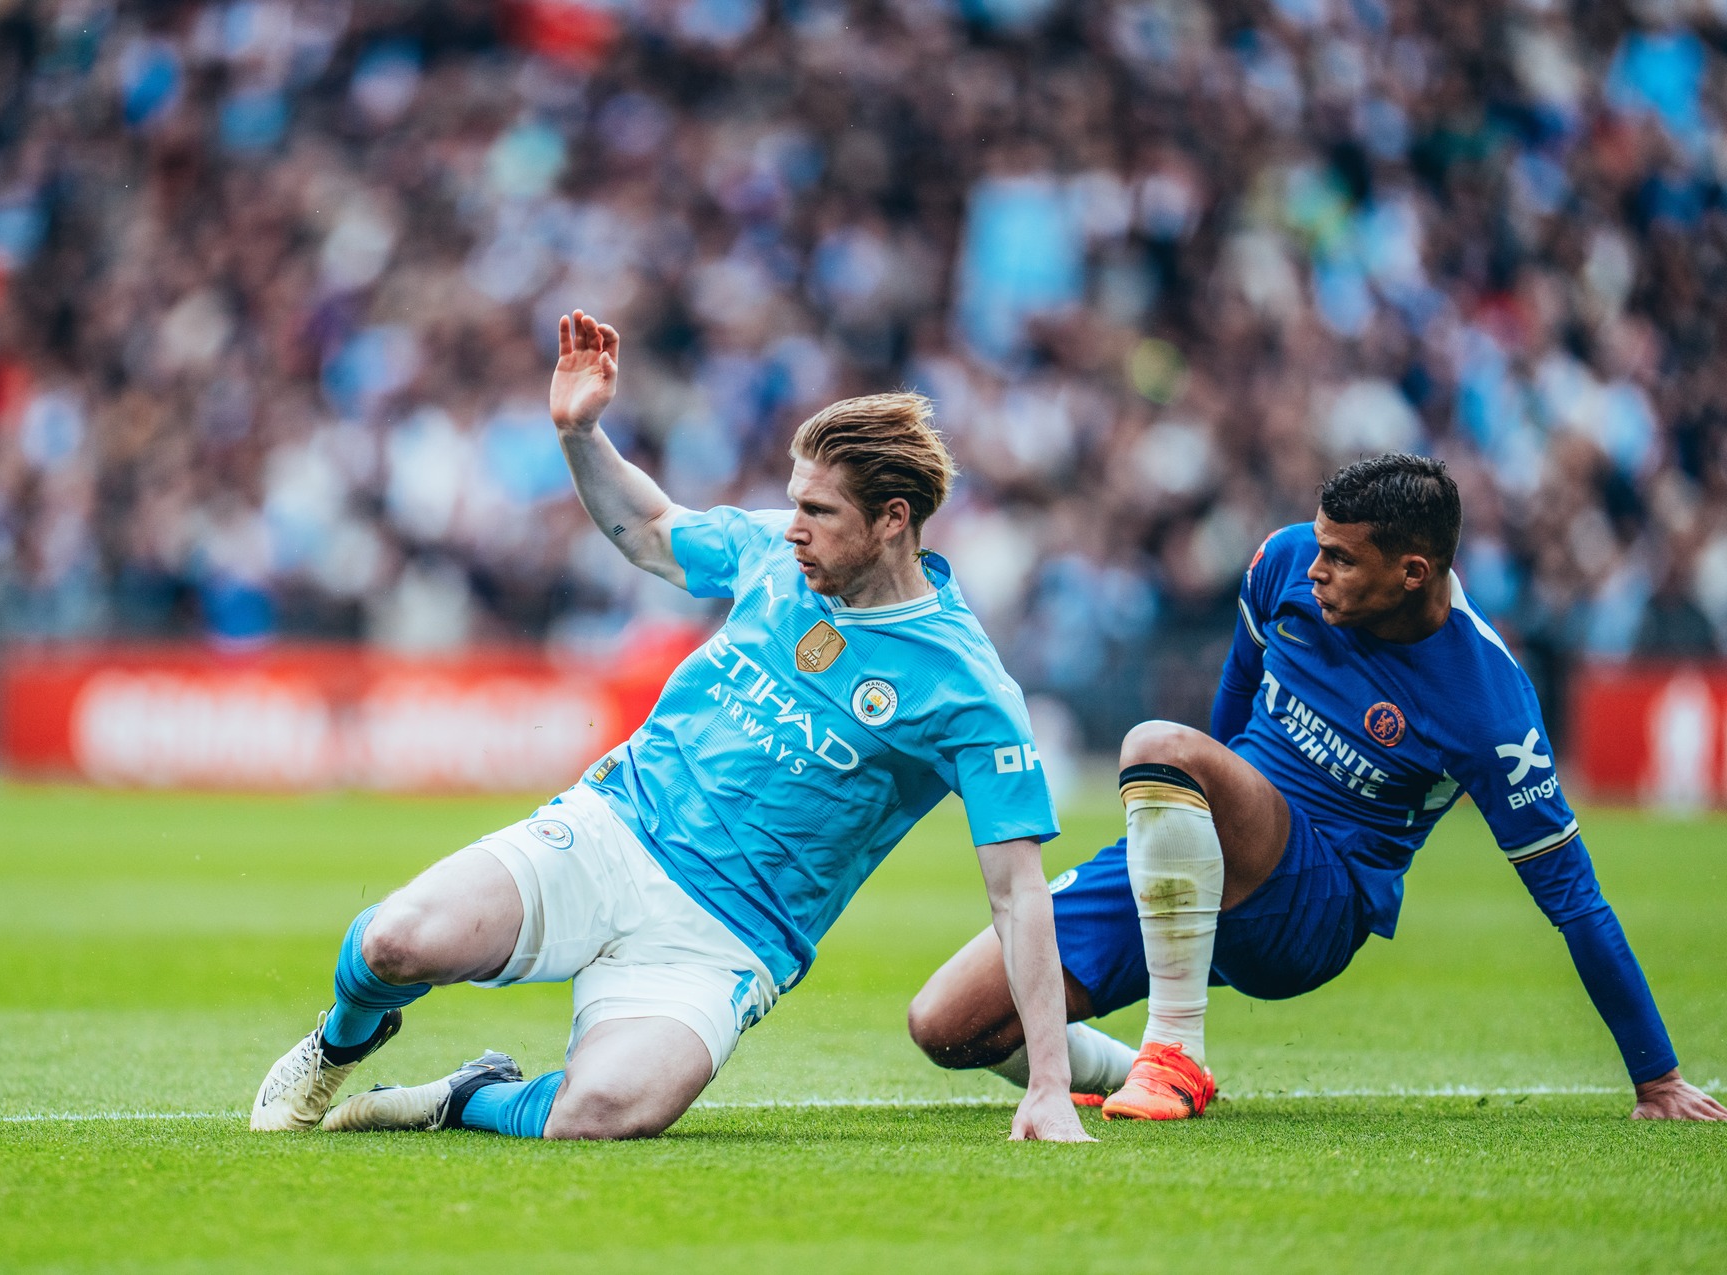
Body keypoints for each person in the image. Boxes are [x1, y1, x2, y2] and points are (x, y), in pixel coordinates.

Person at [249, 311, 1108, 1143]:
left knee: (604, 1112)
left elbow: (1018, 894)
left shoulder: (967, 687)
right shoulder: (777, 552)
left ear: (892, 520)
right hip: (614, 832)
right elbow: (655, 529)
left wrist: (1047, 1085)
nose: (795, 529)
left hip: (729, 936)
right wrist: (582, 435)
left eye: (822, 513)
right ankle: (340, 1044)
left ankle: (467, 1094)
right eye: (793, 503)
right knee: (398, 942)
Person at [908, 453, 1727, 1122]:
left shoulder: (1490, 706)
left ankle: (1177, 1051)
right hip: (1208, 842)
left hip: (1316, 898)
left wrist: (1656, 1077)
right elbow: (1231, 710)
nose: (1318, 567)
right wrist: (1178, 856)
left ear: (1413, 571)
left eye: (1342, 557)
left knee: (1155, 742)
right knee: (944, 1024)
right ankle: (1132, 1064)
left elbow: (1574, 899)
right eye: (1321, 545)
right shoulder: (1286, 561)